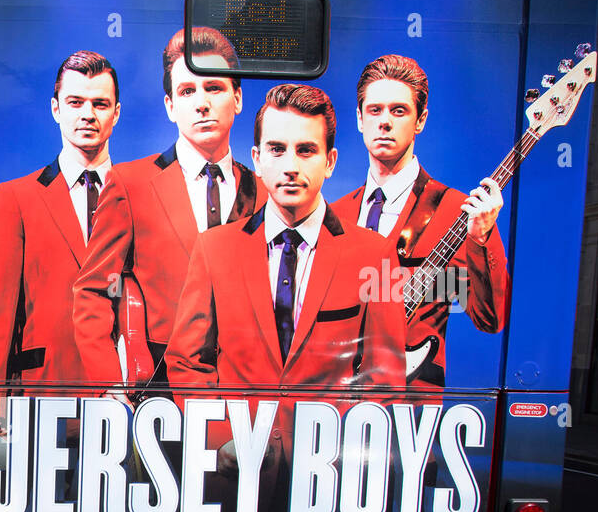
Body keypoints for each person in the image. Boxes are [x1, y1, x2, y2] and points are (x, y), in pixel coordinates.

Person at [165, 83, 405, 469]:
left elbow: (385, 378)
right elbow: (187, 361)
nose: (291, 166)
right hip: (232, 478)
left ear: (330, 161)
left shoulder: (375, 253)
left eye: (306, 150)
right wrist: (222, 438)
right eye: (277, 150)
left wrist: (343, 454)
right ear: (258, 160)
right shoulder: (213, 248)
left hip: (328, 481)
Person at [73, 28, 264, 397]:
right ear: (170, 106)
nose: (202, 103)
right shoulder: (131, 184)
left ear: (237, 98)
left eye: (214, 88)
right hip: (158, 397)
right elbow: (93, 292)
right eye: (187, 91)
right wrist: (109, 385)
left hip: (246, 398)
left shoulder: (265, 193)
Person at [331, 54, 509, 390]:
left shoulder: (459, 211)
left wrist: (481, 239)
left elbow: (490, 318)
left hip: (413, 414)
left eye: (399, 111)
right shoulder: (334, 215)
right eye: (375, 110)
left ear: (420, 120)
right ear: (359, 118)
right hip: (334, 405)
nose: (385, 122)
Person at [0, 49, 122, 444]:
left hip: (126, 401)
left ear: (116, 113)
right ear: (56, 109)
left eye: (100, 103)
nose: (87, 114)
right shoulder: (17, 198)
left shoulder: (140, 194)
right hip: (41, 395)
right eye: (75, 102)